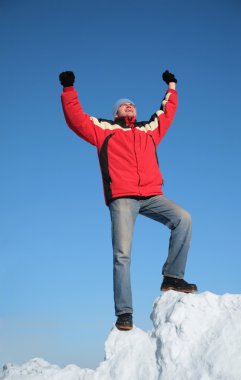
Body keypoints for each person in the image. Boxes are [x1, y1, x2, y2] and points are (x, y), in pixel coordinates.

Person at [59, 69, 197, 331]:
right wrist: (68, 90)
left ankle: (172, 276)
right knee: (122, 255)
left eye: (132, 104)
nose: (130, 106)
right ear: (116, 113)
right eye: (124, 105)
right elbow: (76, 119)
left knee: (183, 218)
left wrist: (172, 85)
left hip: (152, 195)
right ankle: (124, 313)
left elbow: (167, 113)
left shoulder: (149, 131)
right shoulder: (104, 130)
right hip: (123, 197)